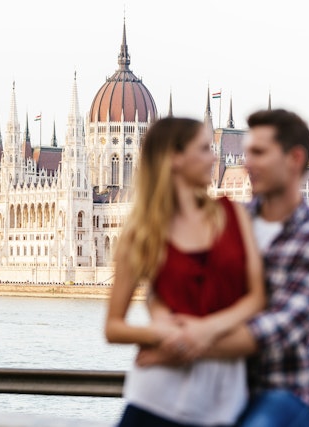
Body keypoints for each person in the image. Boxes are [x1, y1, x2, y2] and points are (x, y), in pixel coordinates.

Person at [136, 109, 309, 426]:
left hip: (283, 388)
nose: (247, 162)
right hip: (216, 381)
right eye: (247, 152)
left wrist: (177, 345)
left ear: (294, 158)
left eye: (259, 153)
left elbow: (279, 327)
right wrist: (166, 319)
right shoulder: (224, 219)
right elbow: (169, 283)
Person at [105, 117, 266, 426]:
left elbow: (257, 298)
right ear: (175, 158)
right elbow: (114, 327)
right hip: (154, 397)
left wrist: (199, 332)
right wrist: (161, 333)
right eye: (204, 149)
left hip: (220, 400)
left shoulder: (233, 215)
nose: (214, 157)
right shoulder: (141, 233)